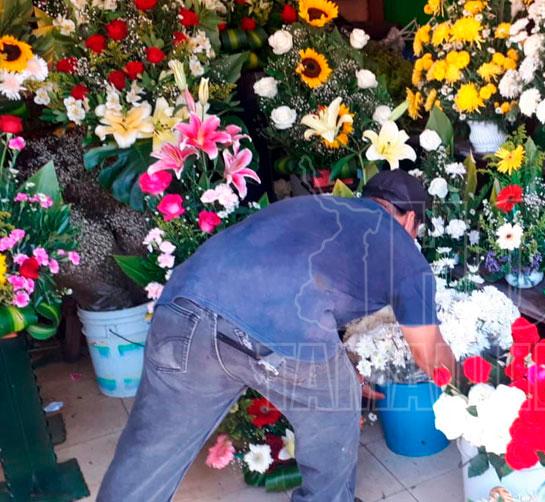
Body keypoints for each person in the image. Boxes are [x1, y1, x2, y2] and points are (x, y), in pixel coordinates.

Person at [98, 170, 456, 502]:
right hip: (274, 335)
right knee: (335, 415)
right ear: (411, 219)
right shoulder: (402, 250)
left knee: (148, 454)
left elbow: (299, 282)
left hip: (183, 311)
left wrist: (345, 371)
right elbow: (429, 355)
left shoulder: (315, 208)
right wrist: (468, 386)